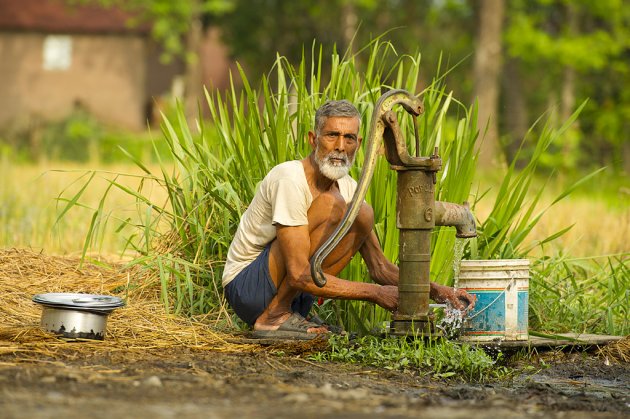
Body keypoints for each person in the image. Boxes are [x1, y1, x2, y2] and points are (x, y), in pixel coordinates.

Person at [222, 99, 476, 339]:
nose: (340, 146)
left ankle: (290, 312)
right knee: (331, 205)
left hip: (295, 292)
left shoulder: (349, 187)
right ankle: (273, 316)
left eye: (349, 138)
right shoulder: (289, 178)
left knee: (361, 212)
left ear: (359, 142)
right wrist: (375, 294)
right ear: (313, 139)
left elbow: (380, 267)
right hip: (248, 288)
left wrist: (437, 290)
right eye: (332, 135)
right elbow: (299, 273)